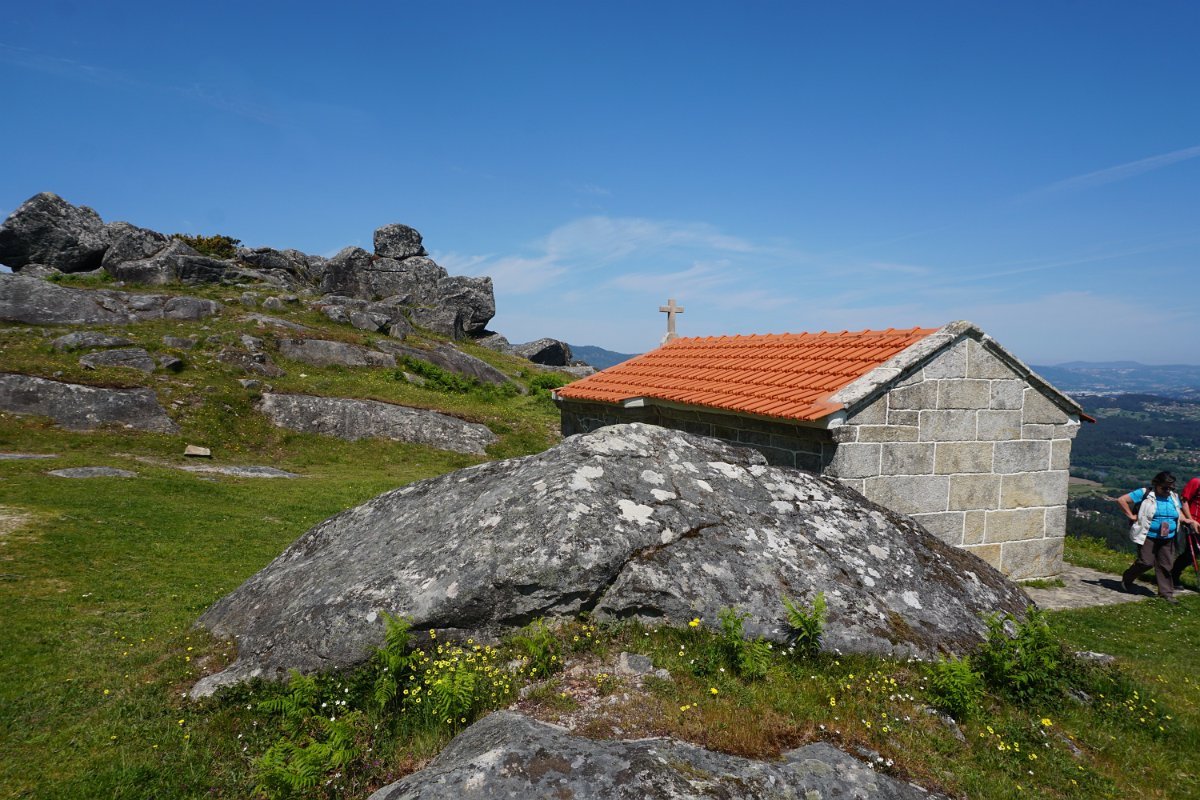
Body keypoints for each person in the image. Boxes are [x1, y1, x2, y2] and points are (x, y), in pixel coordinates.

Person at [1117, 471, 1197, 605]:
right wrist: (1131, 516)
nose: (1168, 490)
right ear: (1156, 484)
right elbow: (1122, 500)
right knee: (1146, 562)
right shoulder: (1145, 493)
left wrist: (1187, 520)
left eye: (1171, 487)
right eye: (1165, 487)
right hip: (1148, 535)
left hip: (1168, 536)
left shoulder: (1173, 496)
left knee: (1166, 565)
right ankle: (1127, 578)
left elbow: (1178, 512)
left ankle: (1166, 594)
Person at [1169, 477, 1200, 590]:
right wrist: (1190, 520)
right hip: (1195, 524)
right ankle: (1173, 576)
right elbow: (1184, 501)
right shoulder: (1196, 482)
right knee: (1191, 554)